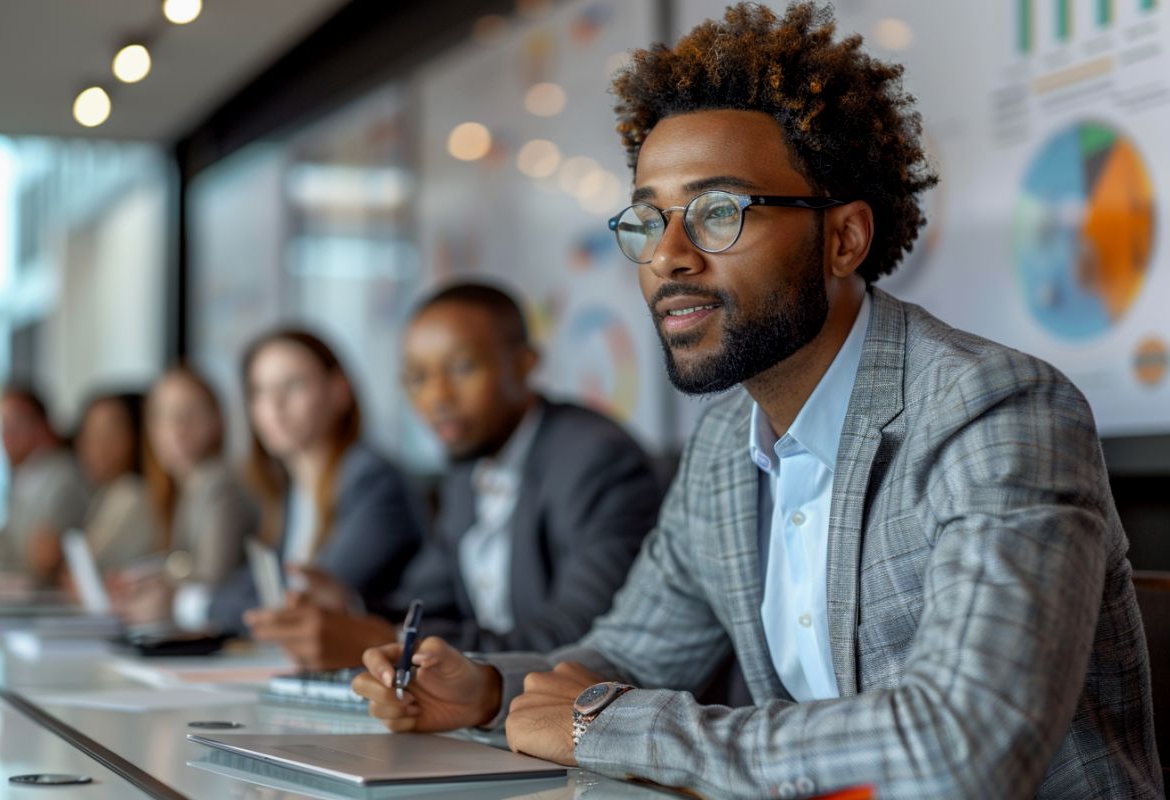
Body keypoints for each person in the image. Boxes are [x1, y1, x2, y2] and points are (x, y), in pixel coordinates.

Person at [353, 5, 1163, 798]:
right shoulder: (722, 451)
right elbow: (626, 660)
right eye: (649, 218)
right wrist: (491, 695)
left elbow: (963, 745)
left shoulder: (995, 412)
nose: (668, 256)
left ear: (843, 238)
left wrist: (608, 724)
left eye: (717, 212)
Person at [248, 283, 662, 670]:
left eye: (462, 368)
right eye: (418, 378)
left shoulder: (594, 459)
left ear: (524, 365)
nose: (437, 397)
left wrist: (390, 640)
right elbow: (427, 602)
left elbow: (579, 638)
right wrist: (350, 611)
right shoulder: (468, 469)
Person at [211, 329, 423, 643]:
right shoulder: (289, 490)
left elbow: (299, 606)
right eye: (259, 391)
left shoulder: (372, 480)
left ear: (339, 391)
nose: (274, 405)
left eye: (292, 385)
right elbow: (248, 590)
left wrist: (189, 603)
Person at [111, 366, 258, 629]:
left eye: (190, 413)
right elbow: (186, 563)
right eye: (163, 416)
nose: (176, 427)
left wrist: (164, 587)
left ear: (216, 420)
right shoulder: (187, 486)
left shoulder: (218, 483)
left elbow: (213, 577)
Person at [0, 384, 88, 584]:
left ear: (41, 425)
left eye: (14, 425)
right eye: (2, 426)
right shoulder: (25, 475)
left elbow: (44, 560)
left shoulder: (63, 479)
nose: (4, 436)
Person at [76, 391, 159, 574]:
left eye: (110, 434)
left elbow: (87, 570)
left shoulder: (131, 494)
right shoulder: (107, 492)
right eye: (90, 434)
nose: (98, 446)